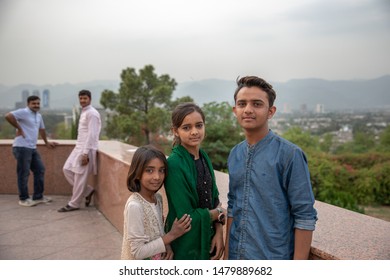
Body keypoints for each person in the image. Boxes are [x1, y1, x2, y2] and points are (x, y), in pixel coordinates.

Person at [225, 76, 318, 260]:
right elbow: (232, 206)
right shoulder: (235, 154)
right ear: (235, 110)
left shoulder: (290, 155)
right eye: (242, 104)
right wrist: (228, 256)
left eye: (257, 104)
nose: (248, 110)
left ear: (271, 111)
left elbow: (304, 216)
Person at [164, 102, 226, 260]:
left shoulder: (204, 156)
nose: (194, 132)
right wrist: (219, 213)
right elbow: (186, 217)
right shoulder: (174, 163)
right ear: (175, 131)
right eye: (186, 127)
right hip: (185, 243)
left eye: (199, 125)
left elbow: (214, 199)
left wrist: (219, 232)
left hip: (209, 236)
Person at [121, 145, 192, 260]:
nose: (157, 177)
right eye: (149, 170)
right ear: (138, 173)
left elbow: (159, 232)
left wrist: (167, 246)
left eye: (161, 170)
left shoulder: (157, 198)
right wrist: (172, 235)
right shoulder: (135, 206)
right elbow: (138, 252)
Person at [5, 95, 57, 206]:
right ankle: (23, 199)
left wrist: (46, 143)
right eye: (33, 103)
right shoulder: (23, 112)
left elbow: (42, 130)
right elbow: (8, 116)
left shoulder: (38, 116)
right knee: (23, 173)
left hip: (32, 147)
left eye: (38, 103)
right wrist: (19, 128)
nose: (36, 105)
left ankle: (38, 197)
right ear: (28, 104)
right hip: (22, 147)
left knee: (40, 170)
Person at [58, 90, 101, 212]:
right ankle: (88, 191)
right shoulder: (84, 112)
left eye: (85, 99)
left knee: (80, 177)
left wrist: (85, 153)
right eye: (81, 98)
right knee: (66, 169)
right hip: (78, 147)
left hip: (86, 149)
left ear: (90, 99)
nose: (82, 101)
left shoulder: (92, 113)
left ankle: (74, 203)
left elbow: (92, 135)